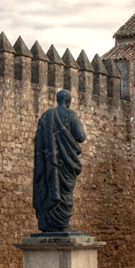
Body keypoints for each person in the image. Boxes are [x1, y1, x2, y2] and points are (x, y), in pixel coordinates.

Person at [32, 89, 87, 232]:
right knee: (65, 194)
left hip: (48, 163)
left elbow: (38, 141)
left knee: (50, 187)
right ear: (68, 102)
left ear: (57, 99)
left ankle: (50, 224)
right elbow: (81, 136)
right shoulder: (71, 115)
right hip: (66, 163)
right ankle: (62, 224)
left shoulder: (45, 116)